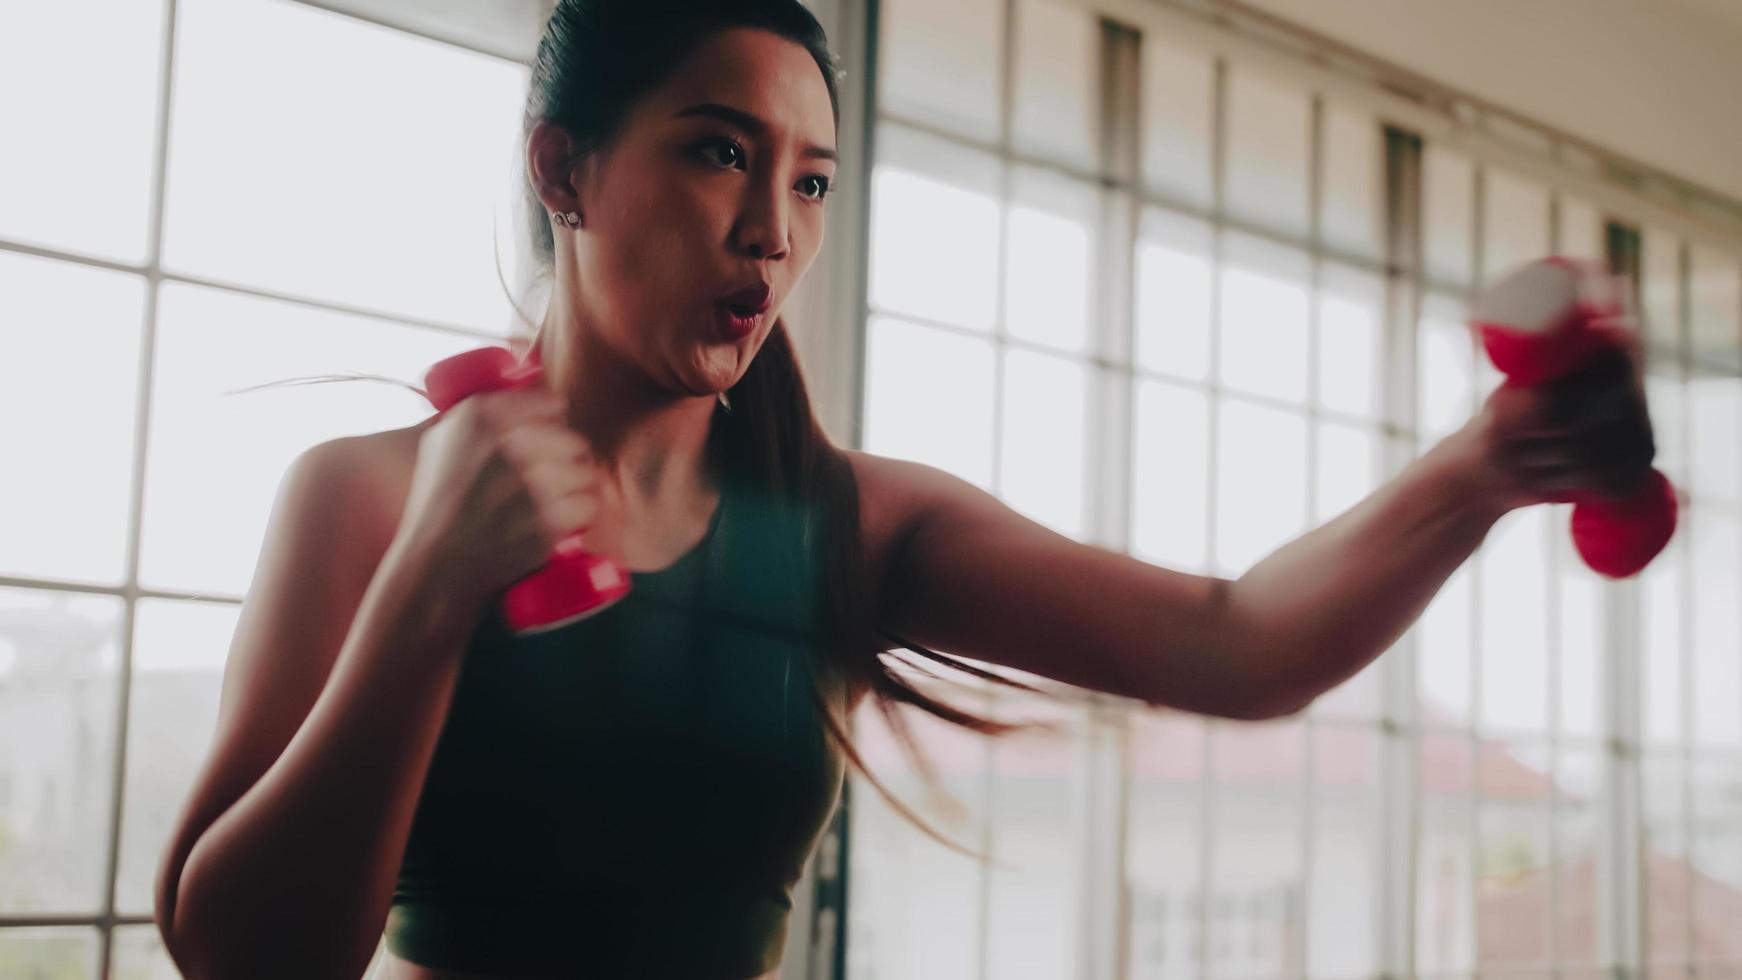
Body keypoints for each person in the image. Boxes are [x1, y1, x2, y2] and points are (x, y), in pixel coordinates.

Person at [148, 0, 1659, 977]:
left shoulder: (854, 525)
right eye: (717, 153)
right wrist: (424, 595)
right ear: (565, 171)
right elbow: (235, 958)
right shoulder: (359, 499)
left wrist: (1480, 468)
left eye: (808, 178)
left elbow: (1239, 641)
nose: (769, 233)